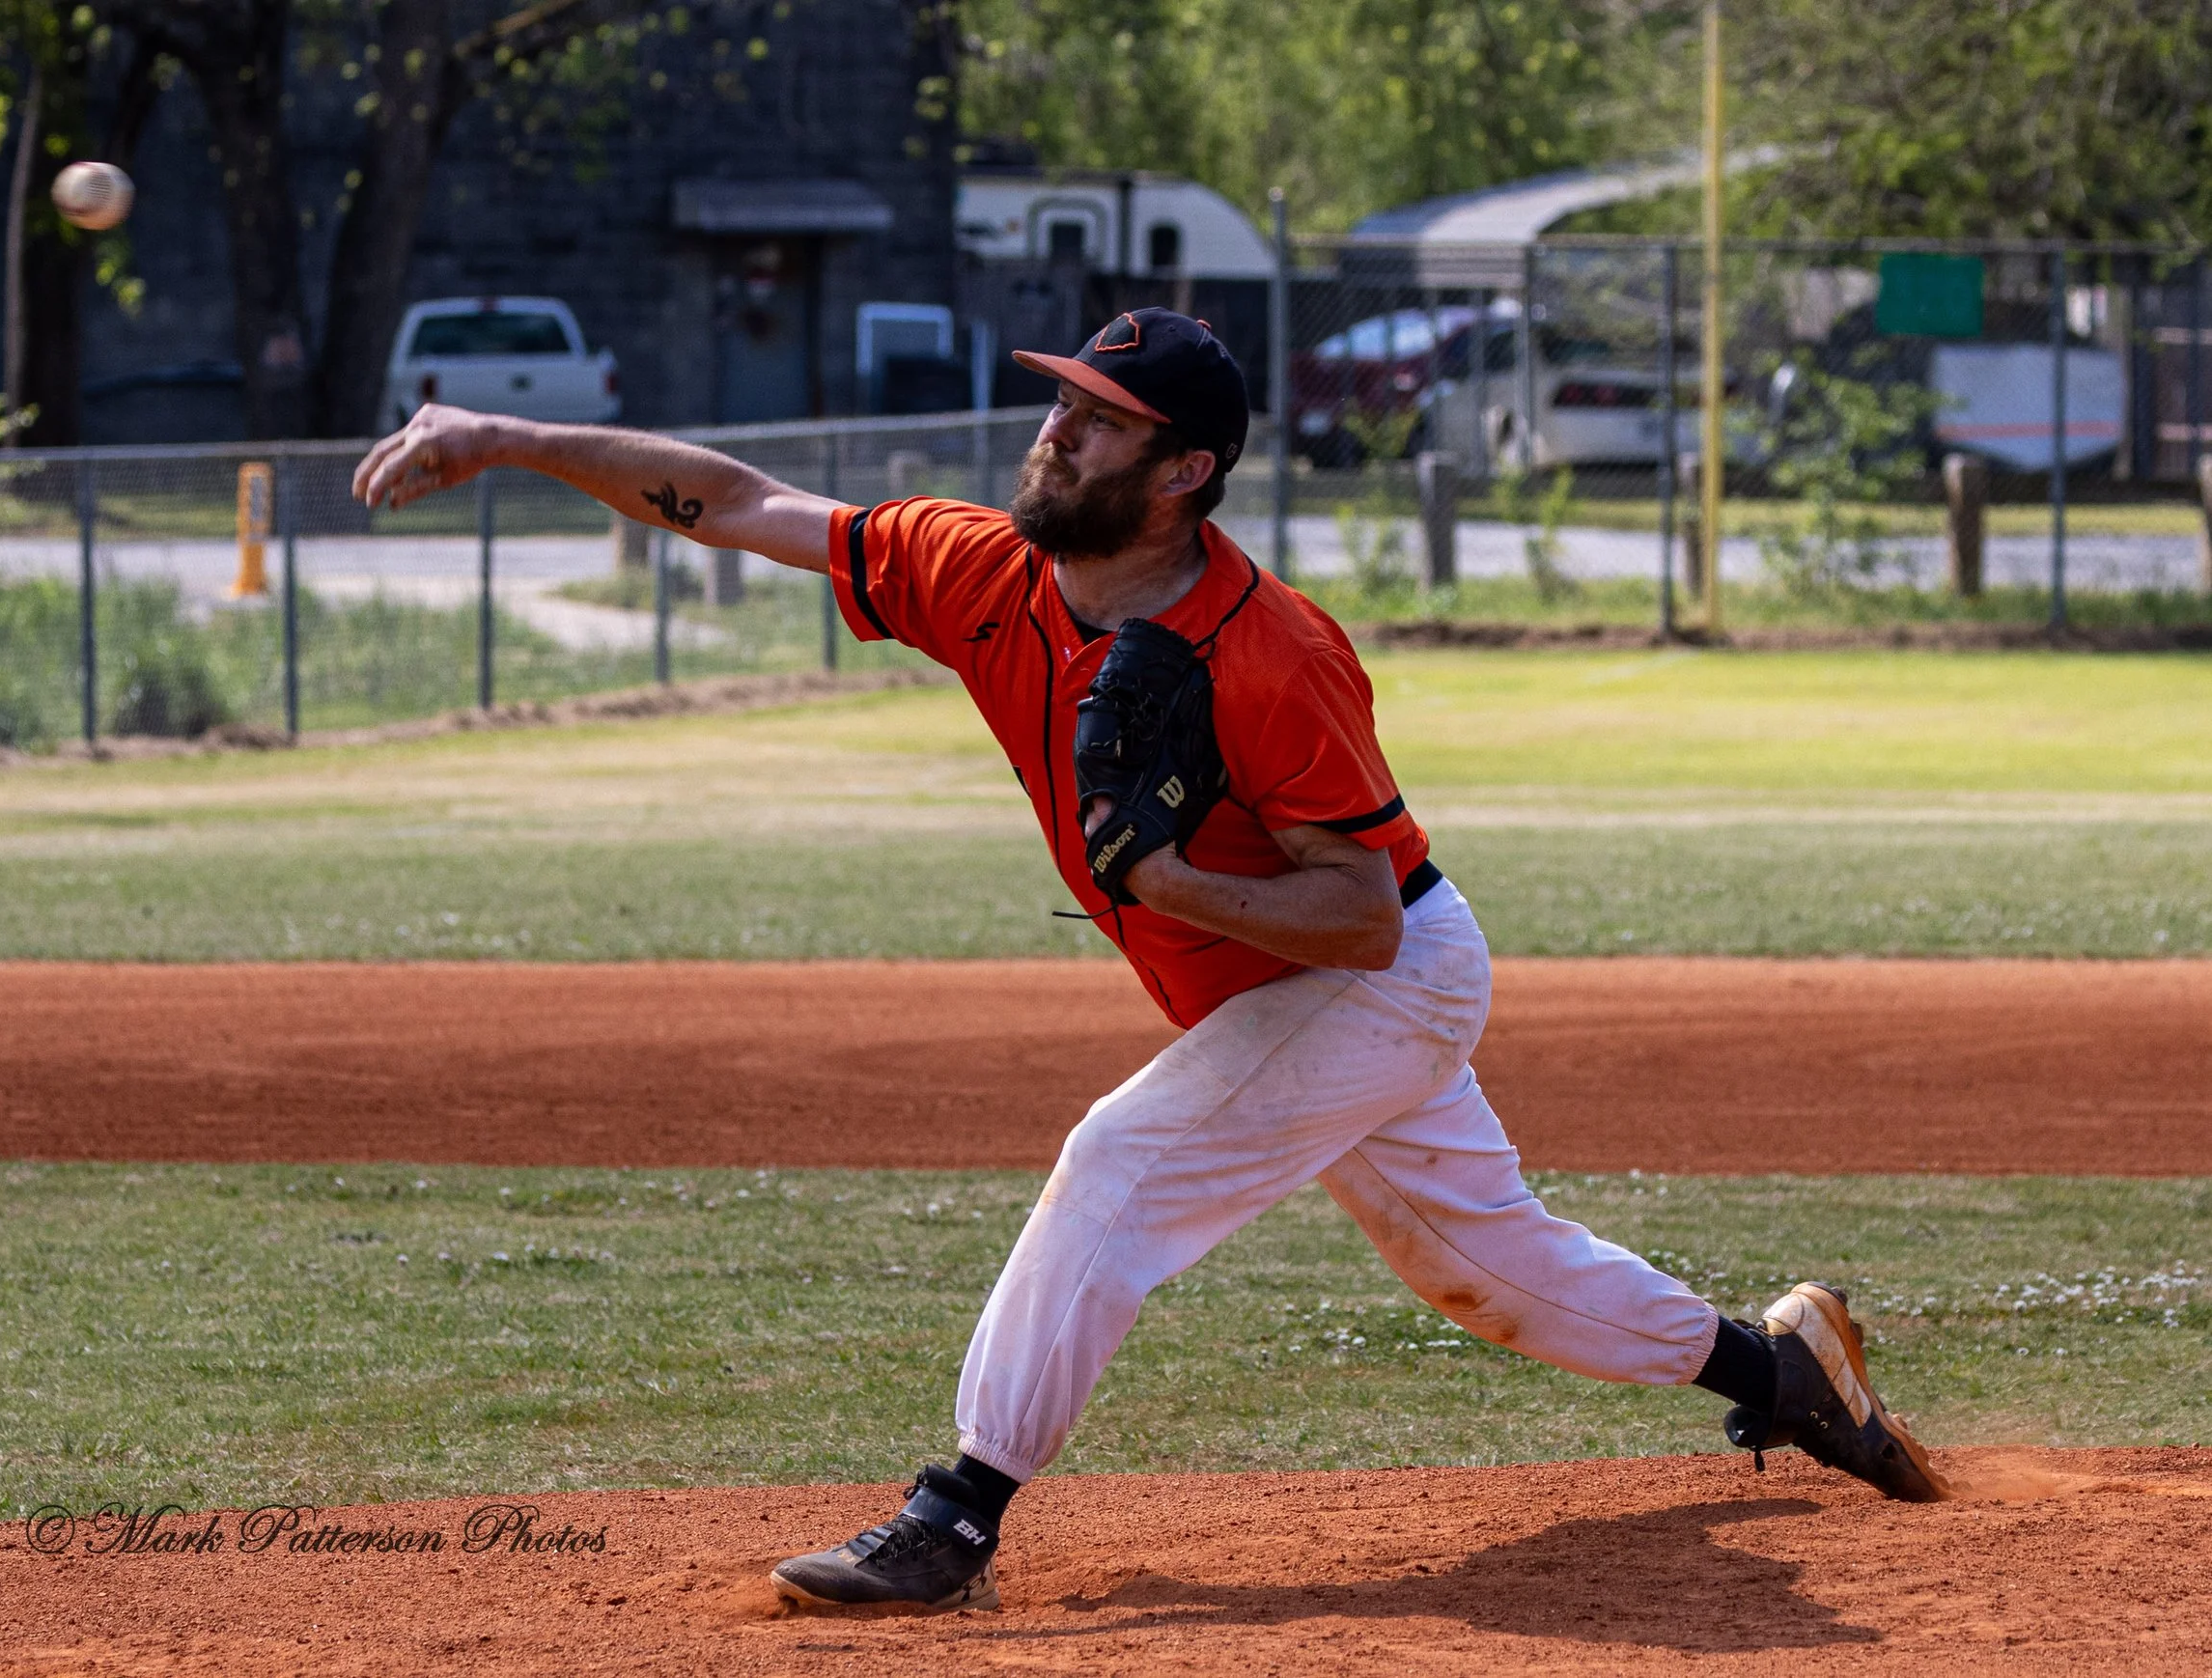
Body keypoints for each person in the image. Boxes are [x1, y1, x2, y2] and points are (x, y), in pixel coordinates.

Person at [353, 307, 1949, 1616]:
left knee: (1114, 1162)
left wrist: (1175, 874)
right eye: (1064, 403)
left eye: (1100, 420)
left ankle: (955, 1514)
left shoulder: (1274, 652)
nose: (1055, 432)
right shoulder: (977, 570)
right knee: (1500, 1279)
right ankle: (1783, 1367)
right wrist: (506, 439)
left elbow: (1367, 916)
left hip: (1377, 975)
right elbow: (745, 499)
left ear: (1185, 470)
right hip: (1275, 989)